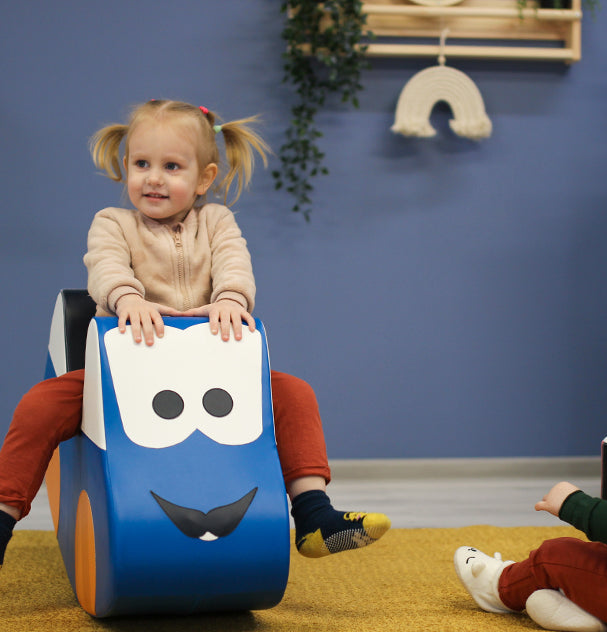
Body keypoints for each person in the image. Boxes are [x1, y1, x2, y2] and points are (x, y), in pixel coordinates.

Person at [0, 99, 390, 568]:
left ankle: (312, 513)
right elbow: (103, 266)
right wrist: (128, 298)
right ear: (125, 167)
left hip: (209, 374)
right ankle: (3, 514)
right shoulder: (113, 223)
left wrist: (230, 298)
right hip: (126, 374)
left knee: (295, 394)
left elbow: (234, 263)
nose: (154, 178)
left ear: (203, 178)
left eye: (171, 166)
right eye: (141, 164)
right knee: (41, 403)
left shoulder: (217, 222)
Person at [454, 275, 607, 632]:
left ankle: (498, 587)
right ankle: (584, 610)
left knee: (558, 555)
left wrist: (571, 504)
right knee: (597, 558)